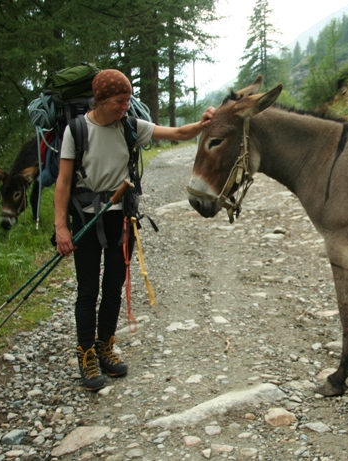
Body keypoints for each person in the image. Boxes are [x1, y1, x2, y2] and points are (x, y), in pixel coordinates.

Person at [54, 69, 215, 392]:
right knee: (88, 290)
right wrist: (61, 227)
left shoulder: (130, 126)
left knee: (113, 287)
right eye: (119, 101)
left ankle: (105, 347)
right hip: (85, 218)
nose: (125, 107)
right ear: (100, 99)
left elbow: (179, 133)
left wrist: (203, 125)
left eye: (128, 100)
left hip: (121, 218)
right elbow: (64, 182)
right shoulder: (77, 130)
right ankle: (85, 354)